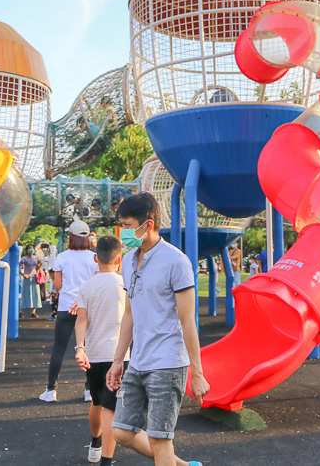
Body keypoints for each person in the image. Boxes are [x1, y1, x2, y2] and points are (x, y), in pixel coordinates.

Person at [106, 193, 206, 466]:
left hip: (167, 363)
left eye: (127, 225)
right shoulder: (127, 261)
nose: (123, 232)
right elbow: (129, 313)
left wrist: (197, 374)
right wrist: (118, 361)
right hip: (138, 361)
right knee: (122, 432)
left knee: (160, 439)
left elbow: (188, 321)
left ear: (147, 225)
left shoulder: (176, 261)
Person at [74, 235, 126, 466]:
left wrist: (80, 348)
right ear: (119, 259)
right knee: (111, 410)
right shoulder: (124, 285)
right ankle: (106, 460)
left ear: (96, 258)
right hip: (119, 356)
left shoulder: (86, 286)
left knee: (96, 403)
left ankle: (95, 444)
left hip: (93, 355)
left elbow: (81, 319)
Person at [40, 219, 98, 402]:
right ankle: (90, 390)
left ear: (70, 237)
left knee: (59, 349)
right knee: (89, 349)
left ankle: (51, 391)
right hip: (87, 308)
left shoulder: (62, 257)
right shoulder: (94, 258)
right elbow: (96, 283)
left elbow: (58, 285)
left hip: (66, 308)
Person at [19, 244, 42, 318]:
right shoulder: (24, 259)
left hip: (35, 277)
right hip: (27, 278)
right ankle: (21, 311)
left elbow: (38, 267)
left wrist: (39, 266)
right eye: (29, 248)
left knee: (35, 294)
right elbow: (17, 267)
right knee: (25, 294)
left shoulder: (36, 258)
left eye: (32, 248)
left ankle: (33, 312)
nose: (31, 250)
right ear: (26, 250)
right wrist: (23, 274)